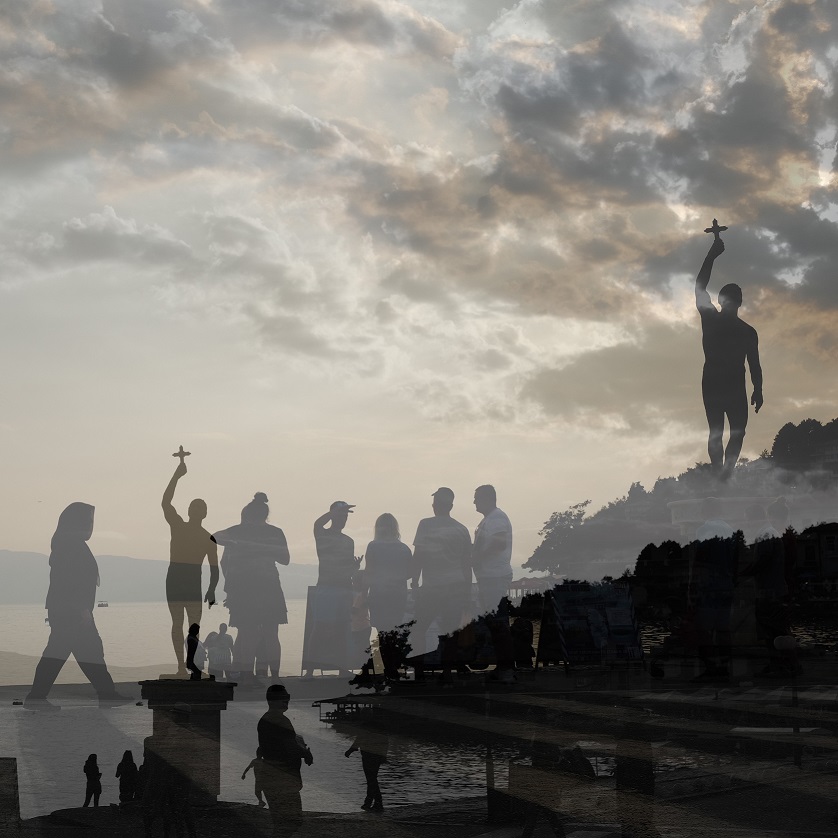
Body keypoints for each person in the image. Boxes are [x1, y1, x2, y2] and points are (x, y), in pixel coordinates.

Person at [25, 503, 128, 710]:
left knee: (84, 652)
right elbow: (69, 581)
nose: (91, 526)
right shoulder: (71, 545)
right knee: (64, 653)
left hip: (67, 610)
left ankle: (106, 693)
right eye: (88, 521)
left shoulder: (67, 543)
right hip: (71, 611)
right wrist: (81, 608)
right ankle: (37, 698)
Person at [694, 233, 763, 480]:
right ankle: (720, 474)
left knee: (735, 431)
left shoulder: (746, 331)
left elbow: (754, 363)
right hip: (717, 380)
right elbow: (700, 288)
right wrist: (711, 256)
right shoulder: (713, 318)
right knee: (719, 431)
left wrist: (758, 388)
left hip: (730, 383)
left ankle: (724, 475)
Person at [214, 493, 291, 684]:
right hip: (269, 585)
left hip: (246, 588)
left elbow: (214, 537)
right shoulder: (275, 532)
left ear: (247, 515)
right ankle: (274, 675)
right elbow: (285, 559)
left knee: (248, 632)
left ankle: (248, 674)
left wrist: (243, 543)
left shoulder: (240, 531)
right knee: (272, 633)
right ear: (265, 514)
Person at [162, 459, 219, 677]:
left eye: (199, 509)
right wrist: (176, 475)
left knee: (193, 627)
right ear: (189, 511)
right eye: (194, 508)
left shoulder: (207, 538)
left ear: (204, 514)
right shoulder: (179, 527)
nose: (196, 512)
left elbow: (215, 568)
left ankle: (189, 665)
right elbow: (166, 502)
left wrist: (212, 589)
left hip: (191, 583)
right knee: (179, 624)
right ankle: (181, 666)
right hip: (176, 582)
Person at [410, 488, 472, 683]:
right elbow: (466, 564)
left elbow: (418, 555)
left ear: (435, 505)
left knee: (419, 629)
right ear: (451, 506)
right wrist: (467, 591)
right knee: (450, 632)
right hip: (455, 586)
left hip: (431, 587)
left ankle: (419, 673)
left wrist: (413, 580)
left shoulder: (425, 525)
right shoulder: (461, 529)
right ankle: (447, 674)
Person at [302, 502, 358, 677]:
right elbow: (317, 524)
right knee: (319, 628)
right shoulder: (323, 535)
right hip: (326, 588)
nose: (344, 519)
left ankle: (342, 668)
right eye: (341, 515)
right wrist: (332, 512)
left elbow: (347, 568)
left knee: (342, 629)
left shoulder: (349, 541)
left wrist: (354, 568)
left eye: (346, 516)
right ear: (333, 515)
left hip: (344, 588)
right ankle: (310, 670)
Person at [257, 685, 313, 838]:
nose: (286, 701)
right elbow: (290, 747)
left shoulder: (265, 720)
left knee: (282, 824)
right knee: (290, 823)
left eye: (287, 697)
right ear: (273, 701)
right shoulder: (279, 720)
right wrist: (306, 754)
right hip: (282, 779)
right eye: (283, 698)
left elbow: (263, 748)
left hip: (272, 777)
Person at [472, 484, 515, 683]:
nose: (474, 502)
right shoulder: (489, 520)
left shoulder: (496, 518)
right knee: (495, 621)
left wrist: (477, 558)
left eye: (476, 498)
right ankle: (504, 666)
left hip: (494, 576)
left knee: (497, 622)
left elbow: (499, 543)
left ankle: (506, 668)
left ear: (487, 498)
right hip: (489, 577)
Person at [364, 513, 412, 678]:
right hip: (398, 594)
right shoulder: (404, 548)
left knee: (382, 633)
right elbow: (410, 572)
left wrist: (363, 594)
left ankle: (385, 669)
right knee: (395, 631)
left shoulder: (373, 546)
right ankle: (395, 666)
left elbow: (369, 572)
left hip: (378, 594)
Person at [344, 712, 390, 811]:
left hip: (369, 757)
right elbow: (385, 742)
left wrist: (350, 751)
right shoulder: (380, 728)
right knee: (372, 779)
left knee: (371, 780)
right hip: (376, 757)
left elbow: (359, 740)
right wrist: (384, 756)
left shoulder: (366, 727)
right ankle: (372, 803)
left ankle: (374, 803)